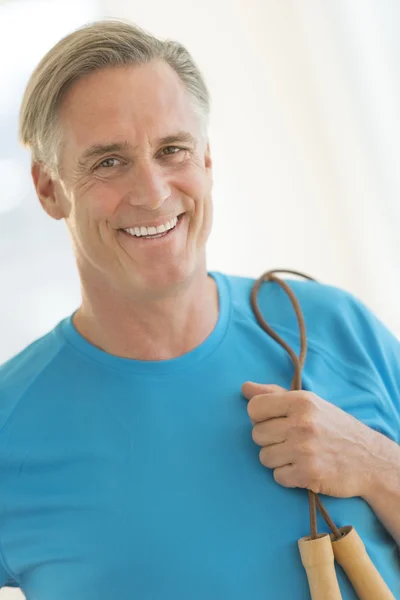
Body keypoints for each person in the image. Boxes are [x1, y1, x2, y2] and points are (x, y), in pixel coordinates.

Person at [0, 19, 399, 600]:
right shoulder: (11, 425)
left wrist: (377, 465)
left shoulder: (337, 327)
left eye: (172, 150)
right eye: (108, 161)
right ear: (48, 188)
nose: (154, 191)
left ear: (207, 160)